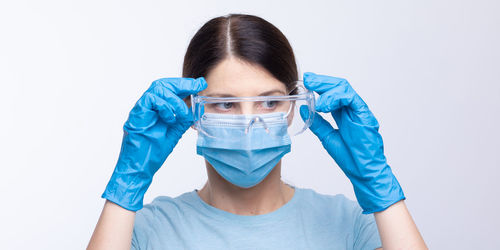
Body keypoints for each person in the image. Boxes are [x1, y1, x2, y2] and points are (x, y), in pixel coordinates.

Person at [87, 14, 427, 250]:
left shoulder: (351, 225)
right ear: (191, 110)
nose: (249, 125)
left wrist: (379, 185)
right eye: (225, 105)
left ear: (294, 106)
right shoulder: (147, 231)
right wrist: (126, 183)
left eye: (268, 103)